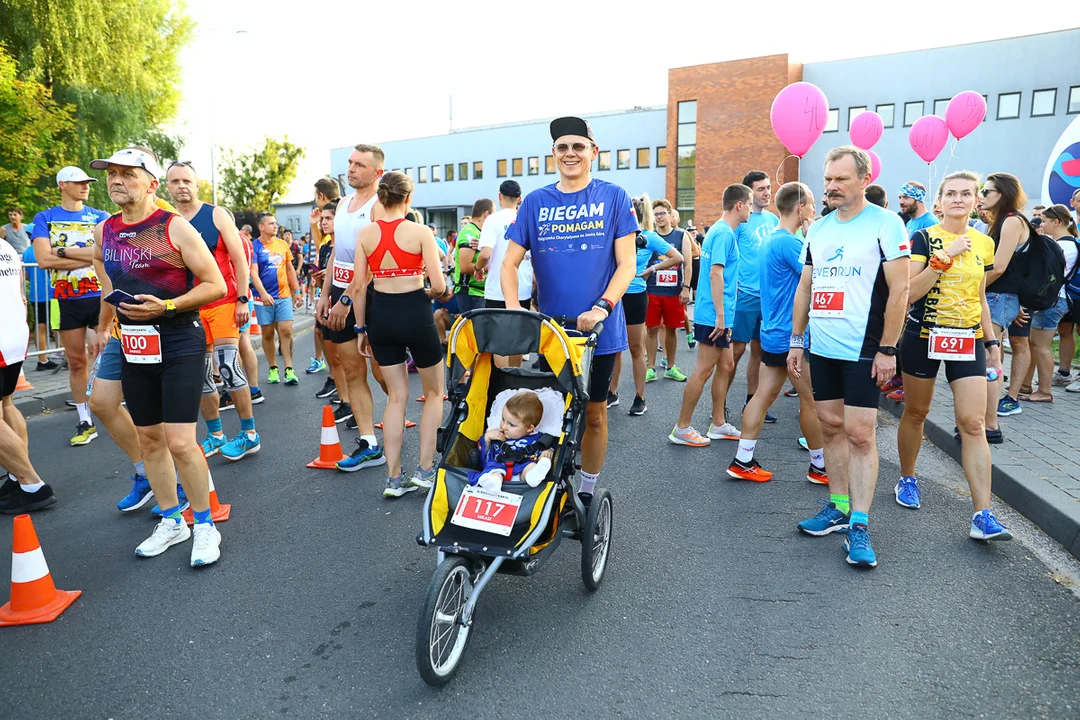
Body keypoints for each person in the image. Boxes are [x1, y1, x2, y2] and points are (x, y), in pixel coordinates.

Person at [90, 146, 227, 566]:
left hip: (178, 338)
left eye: (128, 174)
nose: (117, 180)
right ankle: (172, 520)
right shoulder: (105, 230)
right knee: (149, 439)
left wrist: (166, 306)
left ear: (151, 183)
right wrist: (107, 319)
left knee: (181, 441)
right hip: (133, 343)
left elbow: (216, 285)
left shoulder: (175, 227)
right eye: (112, 173)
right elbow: (103, 269)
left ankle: (204, 525)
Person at [502, 116, 637, 504]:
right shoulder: (535, 203)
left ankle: (588, 491)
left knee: (594, 413)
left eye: (578, 146)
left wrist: (602, 307)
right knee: (547, 411)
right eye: (562, 147)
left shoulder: (614, 197)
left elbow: (626, 264)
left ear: (593, 152)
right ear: (553, 154)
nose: (570, 153)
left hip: (599, 331)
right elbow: (509, 263)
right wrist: (514, 310)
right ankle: (544, 481)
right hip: (550, 332)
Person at [788, 146, 910, 568]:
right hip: (821, 345)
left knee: (860, 434)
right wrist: (796, 339)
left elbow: (901, 290)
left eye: (841, 179)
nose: (832, 186)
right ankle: (838, 507)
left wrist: (888, 348)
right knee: (830, 425)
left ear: (863, 179)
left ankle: (860, 523)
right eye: (828, 179)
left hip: (865, 347)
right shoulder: (817, 229)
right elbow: (806, 286)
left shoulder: (886, 223)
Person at [893, 170, 1011, 540]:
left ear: (976, 200)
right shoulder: (923, 237)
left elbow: (979, 297)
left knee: (972, 423)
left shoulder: (983, 242)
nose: (958, 199)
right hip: (922, 335)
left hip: (968, 337)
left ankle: (983, 514)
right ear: (940, 201)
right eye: (951, 193)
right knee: (917, 412)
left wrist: (993, 345)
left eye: (966, 194)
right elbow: (909, 292)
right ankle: (907, 478)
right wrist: (942, 258)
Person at [350, 171, 449, 496]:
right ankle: (423, 471)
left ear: (380, 198)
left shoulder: (366, 234)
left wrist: (361, 328)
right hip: (415, 312)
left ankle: (393, 478)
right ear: (408, 199)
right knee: (434, 394)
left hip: (381, 316)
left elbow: (360, 288)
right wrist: (432, 294)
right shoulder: (421, 232)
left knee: (395, 397)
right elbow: (438, 285)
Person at [727, 182, 828, 485]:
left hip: (773, 330)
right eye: (810, 205)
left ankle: (742, 459)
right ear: (800, 208)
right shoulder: (789, 243)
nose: (814, 210)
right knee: (811, 400)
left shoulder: (772, 239)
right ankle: (820, 467)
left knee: (763, 394)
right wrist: (812, 234)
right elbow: (820, 273)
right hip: (790, 334)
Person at [165, 162, 261, 462]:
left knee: (229, 368)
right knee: (203, 376)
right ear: (167, 186)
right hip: (191, 308)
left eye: (187, 181)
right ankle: (216, 435)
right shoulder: (167, 220)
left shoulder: (215, 214)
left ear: (196, 185)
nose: (182, 186)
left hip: (224, 302)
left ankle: (249, 435)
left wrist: (244, 298)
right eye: (175, 181)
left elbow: (240, 258)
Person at [317, 144, 387, 468]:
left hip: (372, 295)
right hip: (342, 291)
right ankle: (369, 442)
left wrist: (347, 298)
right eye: (350, 162)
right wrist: (325, 295)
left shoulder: (378, 206)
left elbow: (376, 257)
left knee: (383, 370)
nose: (352, 168)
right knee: (352, 369)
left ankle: (402, 418)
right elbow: (336, 254)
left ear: (377, 173)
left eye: (360, 164)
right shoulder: (343, 203)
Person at [31, 166, 111, 446]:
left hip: (101, 295)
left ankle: (118, 405)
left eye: (88, 182)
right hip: (63, 299)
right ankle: (85, 420)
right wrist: (88, 258)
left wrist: (61, 251)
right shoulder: (45, 218)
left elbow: (103, 253)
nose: (86, 186)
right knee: (77, 362)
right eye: (79, 182)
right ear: (62, 184)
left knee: (110, 355)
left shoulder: (100, 217)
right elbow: (43, 260)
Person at [669, 184, 749, 447]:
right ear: (739, 205)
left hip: (715, 312)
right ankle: (682, 428)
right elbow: (716, 273)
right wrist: (720, 315)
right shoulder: (724, 233)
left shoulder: (720, 230)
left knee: (725, 366)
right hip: (712, 314)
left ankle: (718, 423)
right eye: (748, 203)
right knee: (703, 370)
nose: (750, 208)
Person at [0, 234, 57, 513]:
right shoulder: (6, 246)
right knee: (6, 403)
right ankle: (16, 477)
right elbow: (20, 290)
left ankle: (31, 484)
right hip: (14, 335)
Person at [609, 194, 681, 415]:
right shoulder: (615, 235)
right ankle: (612, 393)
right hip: (613, 295)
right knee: (614, 349)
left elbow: (677, 257)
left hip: (634, 296)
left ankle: (640, 398)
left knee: (635, 348)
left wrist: (651, 269)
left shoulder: (648, 237)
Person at [980, 173, 1031, 434]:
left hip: (999, 296)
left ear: (1003, 194)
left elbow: (999, 268)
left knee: (991, 359)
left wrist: (968, 286)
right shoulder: (1002, 221)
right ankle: (986, 418)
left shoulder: (1012, 221)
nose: (981, 195)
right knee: (990, 357)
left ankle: (990, 423)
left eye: (986, 191)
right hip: (999, 296)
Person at [731, 171, 780, 424]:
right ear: (749, 193)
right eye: (760, 189)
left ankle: (752, 402)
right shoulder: (742, 220)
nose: (766, 192)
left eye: (768, 187)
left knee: (759, 353)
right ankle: (720, 406)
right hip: (745, 295)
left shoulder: (773, 220)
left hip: (768, 298)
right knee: (735, 351)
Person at [476, 180, 533, 366]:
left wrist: (478, 269)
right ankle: (514, 378)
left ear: (499, 196)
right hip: (521, 287)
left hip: (496, 288)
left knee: (497, 339)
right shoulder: (526, 219)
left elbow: (485, 254)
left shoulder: (492, 219)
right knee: (516, 338)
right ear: (520, 199)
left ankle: (501, 383)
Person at [1027, 204, 1079, 401]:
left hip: (1053, 300)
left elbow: (1047, 275)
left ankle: (1044, 391)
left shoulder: (1062, 246)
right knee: (1038, 344)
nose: (1042, 225)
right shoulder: (1070, 243)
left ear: (1056, 222)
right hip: (1056, 300)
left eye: (1045, 221)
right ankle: (1038, 388)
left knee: (1041, 346)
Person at [250, 213, 302, 386]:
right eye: (271, 223)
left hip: (283, 295)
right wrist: (263, 294)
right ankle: (273, 368)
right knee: (267, 333)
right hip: (262, 297)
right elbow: (253, 273)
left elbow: (289, 269)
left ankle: (289, 369)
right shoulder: (254, 246)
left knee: (286, 330)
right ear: (262, 227)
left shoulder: (282, 245)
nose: (275, 225)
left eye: (275, 223)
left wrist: (297, 290)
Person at [645, 198, 693, 383]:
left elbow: (687, 263)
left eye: (662, 213)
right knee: (651, 329)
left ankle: (671, 367)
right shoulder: (649, 236)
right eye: (655, 214)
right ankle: (650, 368)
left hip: (674, 291)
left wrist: (686, 288)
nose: (658, 217)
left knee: (672, 329)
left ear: (669, 213)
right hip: (652, 290)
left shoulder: (681, 236)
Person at [470, 391, 554, 491]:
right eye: (503, 419)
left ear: (529, 428)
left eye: (511, 425)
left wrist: (549, 451)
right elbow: (483, 454)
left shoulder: (539, 438)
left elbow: (550, 447)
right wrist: (487, 438)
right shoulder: (497, 434)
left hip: (522, 471)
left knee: (531, 466)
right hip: (499, 466)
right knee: (493, 469)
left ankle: (533, 477)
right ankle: (493, 483)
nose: (504, 426)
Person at [21, 242, 58, 370]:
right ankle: (48, 358)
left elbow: (26, 275)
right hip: (49, 292)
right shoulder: (45, 250)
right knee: (55, 324)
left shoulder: (27, 252)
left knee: (40, 326)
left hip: (35, 293)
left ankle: (43, 358)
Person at [454, 199, 493, 314]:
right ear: (486, 214)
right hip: (471, 292)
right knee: (476, 331)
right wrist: (493, 266)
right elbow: (465, 267)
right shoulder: (470, 232)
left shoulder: (482, 233)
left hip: (481, 292)